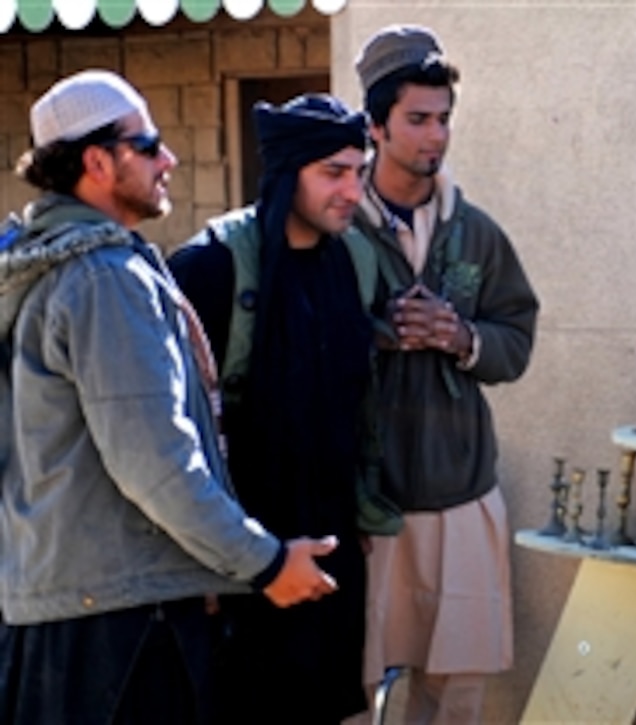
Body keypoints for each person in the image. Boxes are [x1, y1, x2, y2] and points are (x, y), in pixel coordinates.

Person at [0, 70, 339, 725]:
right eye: (149, 144)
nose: (170, 159)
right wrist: (266, 562)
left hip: (60, 617)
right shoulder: (104, 279)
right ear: (97, 161)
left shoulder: (50, 269)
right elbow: (155, 462)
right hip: (124, 632)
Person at [168, 94, 382, 724]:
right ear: (289, 173)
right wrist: (206, 564)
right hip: (240, 562)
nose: (352, 190)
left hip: (331, 554)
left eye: (359, 172)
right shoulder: (211, 267)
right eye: (334, 173)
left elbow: (355, 399)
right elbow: (174, 432)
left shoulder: (353, 259)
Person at [351, 24, 539, 723]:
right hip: (363, 502)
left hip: (461, 494)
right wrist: (378, 333)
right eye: (418, 120)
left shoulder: (477, 232)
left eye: (444, 119)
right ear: (375, 125)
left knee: (454, 695)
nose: (436, 136)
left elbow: (517, 340)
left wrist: (461, 337)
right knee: (349, 689)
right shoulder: (337, 228)